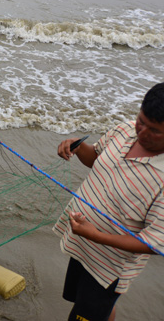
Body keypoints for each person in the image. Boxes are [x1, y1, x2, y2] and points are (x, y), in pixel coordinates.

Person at [54, 83, 164, 321]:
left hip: (108, 268)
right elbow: (95, 157)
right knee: (86, 305)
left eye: (154, 130)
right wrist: (78, 146)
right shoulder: (125, 130)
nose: (142, 132)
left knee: (85, 315)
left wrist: (96, 235)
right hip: (82, 245)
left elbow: (154, 243)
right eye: (141, 121)